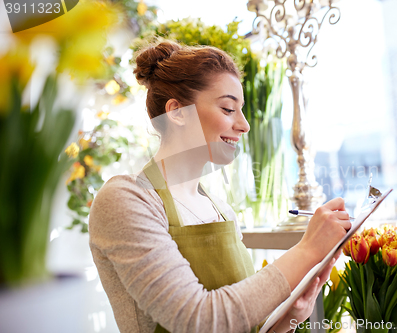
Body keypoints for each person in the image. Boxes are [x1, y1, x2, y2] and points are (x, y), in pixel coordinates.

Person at [88, 39, 351, 333]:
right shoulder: (126, 199)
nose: (244, 125)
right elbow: (196, 320)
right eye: (228, 109)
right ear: (177, 112)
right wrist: (307, 249)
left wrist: (288, 317)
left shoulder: (221, 210)